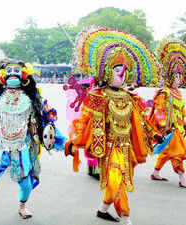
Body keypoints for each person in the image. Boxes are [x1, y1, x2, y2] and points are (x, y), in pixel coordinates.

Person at [65, 28, 161, 225]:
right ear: (108, 73)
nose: (122, 76)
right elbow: (85, 121)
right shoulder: (98, 96)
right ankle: (125, 215)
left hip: (127, 148)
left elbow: (142, 121)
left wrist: (155, 134)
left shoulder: (131, 97)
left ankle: (102, 210)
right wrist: (74, 142)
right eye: (118, 72)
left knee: (119, 182)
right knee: (116, 180)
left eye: (124, 73)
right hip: (108, 148)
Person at [0, 60, 65, 225]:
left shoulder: (33, 100)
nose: (12, 75)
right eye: (9, 72)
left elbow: (47, 124)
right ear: (3, 78)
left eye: (16, 72)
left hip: (22, 148)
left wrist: (65, 144)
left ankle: (22, 205)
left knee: (26, 184)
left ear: (24, 78)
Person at [148, 38, 186, 188]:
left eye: (180, 76)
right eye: (176, 76)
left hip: (179, 128)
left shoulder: (178, 93)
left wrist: (185, 123)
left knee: (167, 152)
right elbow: (159, 111)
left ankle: (156, 172)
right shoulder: (165, 92)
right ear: (169, 77)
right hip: (170, 129)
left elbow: (181, 110)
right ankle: (182, 177)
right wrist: (164, 127)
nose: (179, 79)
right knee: (178, 153)